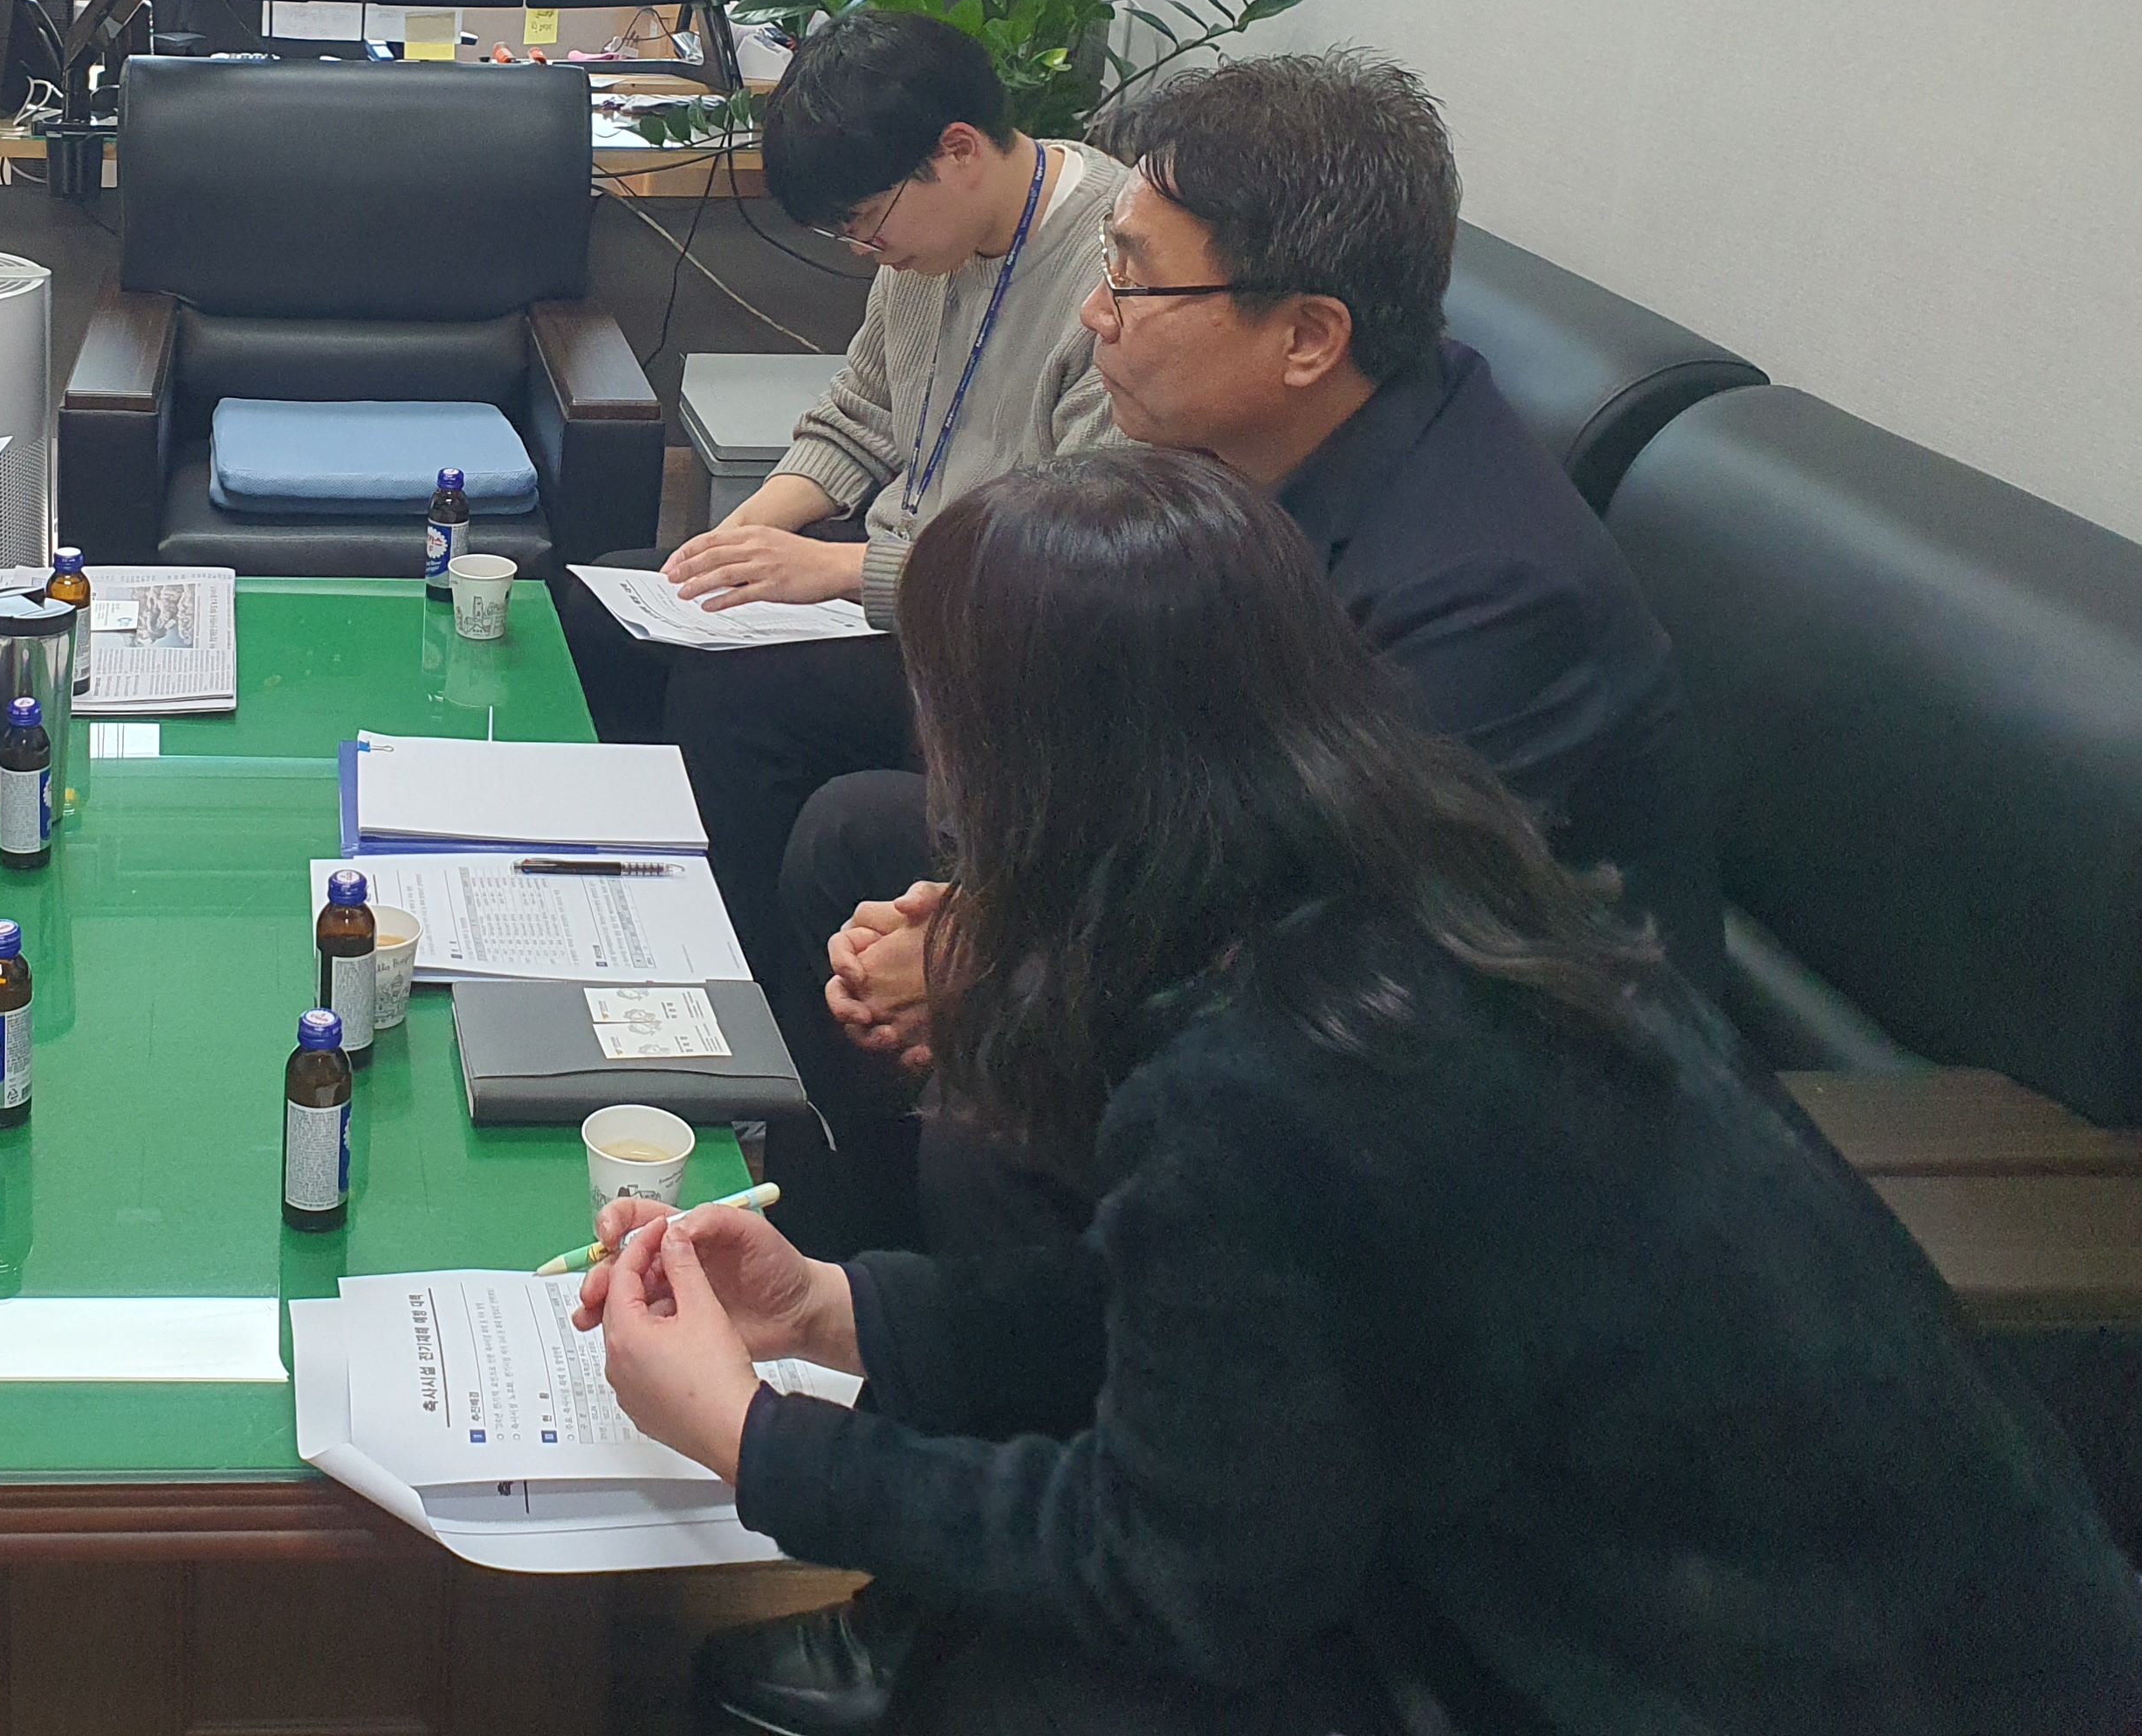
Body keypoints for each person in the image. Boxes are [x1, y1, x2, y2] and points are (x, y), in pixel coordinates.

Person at [580, 451, 2142, 1736]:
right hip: (1905, 1607)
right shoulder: (1434, 883)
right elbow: (1221, 1317)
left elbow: (1169, 1571)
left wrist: (751, 1438)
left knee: (1037, 1692)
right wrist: (835, 1307)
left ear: (1041, 767)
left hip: (1749, 1673)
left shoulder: (1270, 1074)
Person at [779, 51, 1718, 1255]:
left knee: (996, 1126)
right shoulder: (1262, 452)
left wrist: (996, 954)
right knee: (855, 844)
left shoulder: (1490, 596)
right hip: (1264, 903)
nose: (1095, 313)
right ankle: (853, 1273)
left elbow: (1317, 927)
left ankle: (978, 1346)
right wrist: (979, 915)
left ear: (1308, 336)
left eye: (1134, 280)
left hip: (1474, 1070)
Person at [553, 11, 1118, 969]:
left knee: (733, 699)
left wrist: (841, 571)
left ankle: (736, 976)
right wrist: (738, 538)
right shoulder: (931, 246)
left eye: (865, 220)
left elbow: (1071, 563)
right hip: (892, 569)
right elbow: (858, 415)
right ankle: (619, 899)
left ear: (958, 151)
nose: (863, 249)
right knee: (612, 599)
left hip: (993, 626)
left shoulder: (1111, 281)